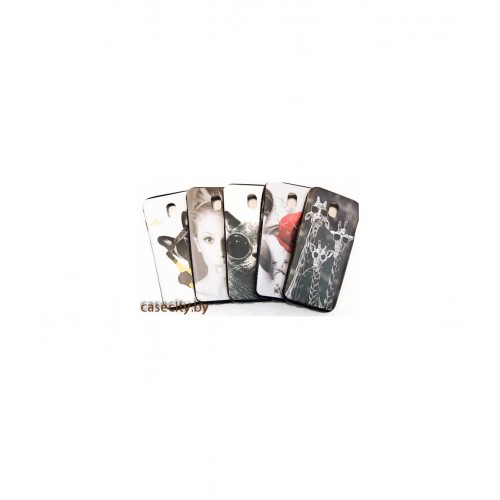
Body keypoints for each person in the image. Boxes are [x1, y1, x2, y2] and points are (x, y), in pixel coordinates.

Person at [188, 187, 229, 302]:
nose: (221, 253)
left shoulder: (256, 293)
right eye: (209, 239)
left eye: (227, 238)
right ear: (197, 243)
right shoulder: (189, 299)